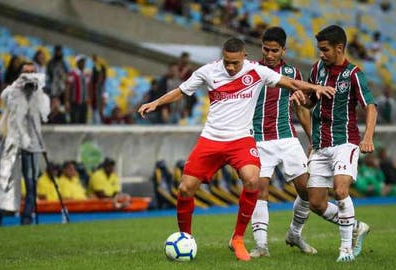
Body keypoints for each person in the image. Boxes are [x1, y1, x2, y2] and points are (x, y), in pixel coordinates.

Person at [138, 37, 335, 261]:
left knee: (252, 180)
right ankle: (186, 237)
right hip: (211, 139)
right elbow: (181, 90)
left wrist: (315, 87)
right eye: (227, 62)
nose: (230, 67)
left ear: (245, 57)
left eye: (235, 63)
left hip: (241, 140)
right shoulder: (208, 71)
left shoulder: (257, 71)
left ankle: (238, 238)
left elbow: (291, 83)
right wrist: (156, 103)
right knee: (185, 188)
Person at [303, 25, 377, 262]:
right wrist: (300, 99)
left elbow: (371, 107)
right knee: (315, 202)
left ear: (339, 48)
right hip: (321, 144)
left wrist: (367, 137)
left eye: (325, 49)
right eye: (319, 49)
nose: (321, 54)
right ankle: (355, 226)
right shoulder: (317, 69)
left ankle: (346, 250)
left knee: (341, 190)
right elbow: (310, 101)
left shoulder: (354, 74)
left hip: (345, 142)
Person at [249, 27, 316, 258]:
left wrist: (312, 139)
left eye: (274, 50)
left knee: (307, 190)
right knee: (259, 189)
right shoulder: (252, 71)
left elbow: (302, 109)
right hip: (257, 139)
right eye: (265, 49)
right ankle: (261, 246)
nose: (268, 54)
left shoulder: (293, 73)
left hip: (287, 138)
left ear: (283, 50)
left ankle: (295, 233)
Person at [0, 62, 50, 226]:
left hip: (32, 143)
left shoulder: (40, 94)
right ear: (19, 75)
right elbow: (3, 97)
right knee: (5, 180)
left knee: (30, 182)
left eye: (32, 72)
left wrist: (37, 90)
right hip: (13, 142)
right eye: (25, 72)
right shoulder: (12, 90)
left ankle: (27, 217)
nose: (29, 76)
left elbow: (45, 111)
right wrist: (18, 85)